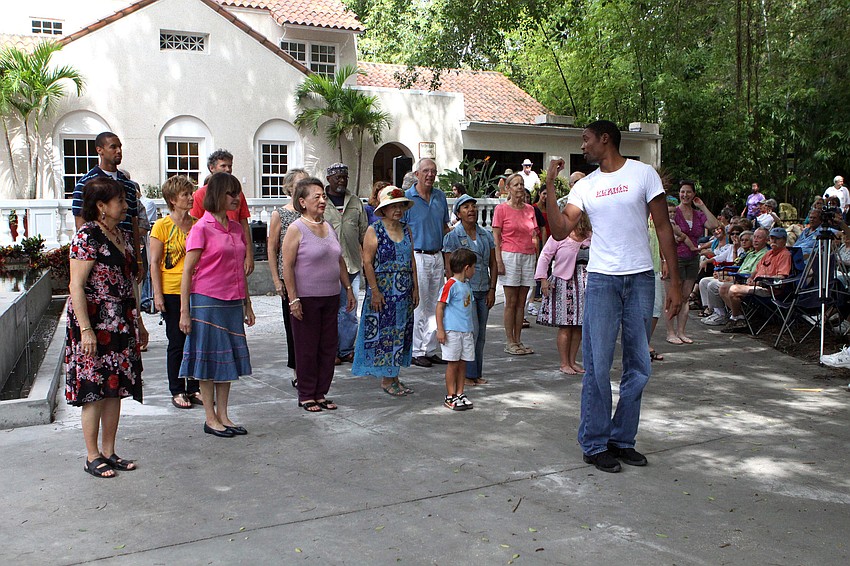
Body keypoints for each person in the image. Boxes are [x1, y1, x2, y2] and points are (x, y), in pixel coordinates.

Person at [544, 120, 682, 474]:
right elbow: (560, 229)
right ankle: (594, 443)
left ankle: (622, 440)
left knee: (639, 365)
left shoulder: (643, 174)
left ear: (605, 139)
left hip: (639, 277)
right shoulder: (586, 186)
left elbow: (663, 226)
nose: (583, 145)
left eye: (586, 140)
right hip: (603, 280)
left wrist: (676, 281)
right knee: (597, 364)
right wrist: (548, 184)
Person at [66, 176, 147, 477]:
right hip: (94, 326)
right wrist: (86, 330)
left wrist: (138, 321)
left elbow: (128, 283)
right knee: (94, 391)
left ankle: (109, 451)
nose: (126, 207)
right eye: (120, 202)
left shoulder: (119, 236)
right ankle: (92, 456)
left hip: (120, 324)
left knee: (116, 389)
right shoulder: (87, 237)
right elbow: (76, 286)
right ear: (101, 206)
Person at [179, 173, 255, 437]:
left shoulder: (235, 229)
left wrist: (247, 303)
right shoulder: (201, 227)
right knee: (208, 360)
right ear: (217, 195)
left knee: (228, 360)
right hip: (206, 301)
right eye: (231, 193)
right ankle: (210, 418)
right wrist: (184, 312)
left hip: (232, 301)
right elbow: (187, 272)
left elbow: (238, 268)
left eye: (238, 193)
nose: (236, 198)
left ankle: (223, 414)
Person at [281, 178, 356, 412]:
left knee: (327, 347)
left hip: (331, 296)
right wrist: (293, 299)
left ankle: (321, 392)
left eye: (323, 196)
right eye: (317, 197)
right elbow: (288, 267)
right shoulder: (296, 229)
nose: (323, 200)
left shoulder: (328, 227)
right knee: (306, 347)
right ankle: (306, 394)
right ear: (302, 202)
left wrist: (349, 289)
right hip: (306, 299)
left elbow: (339, 260)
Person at [352, 186, 419, 396]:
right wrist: (375, 290)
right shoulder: (375, 230)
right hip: (383, 290)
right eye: (393, 206)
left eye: (400, 205)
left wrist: (415, 288)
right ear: (384, 209)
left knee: (401, 332)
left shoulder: (407, 229)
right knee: (385, 334)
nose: (398, 210)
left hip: (404, 291)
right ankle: (387, 379)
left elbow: (412, 260)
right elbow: (367, 262)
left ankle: (395, 376)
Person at [150, 175, 200, 409]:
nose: (191, 198)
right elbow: (154, 261)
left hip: (196, 289)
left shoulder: (197, 223)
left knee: (197, 340)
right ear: (172, 199)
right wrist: (157, 294)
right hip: (171, 290)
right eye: (185, 194)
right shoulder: (162, 226)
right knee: (177, 341)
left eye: (191, 193)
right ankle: (177, 388)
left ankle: (195, 386)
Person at [71, 132, 142, 284]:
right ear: (99, 150)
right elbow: (81, 224)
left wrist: (139, 259)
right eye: (113, 147)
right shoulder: (85, 184)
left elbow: (133, 222)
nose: (118, 151)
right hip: (100, 260)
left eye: (120, 147)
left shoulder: (128, 185)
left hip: (126, 254)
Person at [442, 194, 497, 386]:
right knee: (470, 333)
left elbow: (493, 263)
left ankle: (476, 372)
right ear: (458, 213)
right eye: (465, 207)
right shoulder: (452, 237)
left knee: (481, 335)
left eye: (473, 206)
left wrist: (492, 289)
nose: (471, 210)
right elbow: (449, 268)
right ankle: (467, 375)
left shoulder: (486, 235)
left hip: (484, 288)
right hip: (465, 292)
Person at [403, 158, 450, 368]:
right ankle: (416, 350)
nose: (430, 175)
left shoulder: (440, 197)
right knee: (419, 304)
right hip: (418, 256)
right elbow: (401, 230)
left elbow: (445, 226)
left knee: (436, 303)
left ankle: (430, 349)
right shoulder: (407, 199)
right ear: (417, 174)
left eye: (433, 171)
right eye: (425, 171)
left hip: (437, 255)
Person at [535, 211, 592, 375]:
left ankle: (573, 361)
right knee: (566, 325)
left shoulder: (591, 236)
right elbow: (545, 256)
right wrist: (543, 278)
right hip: (564, 283)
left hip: (585, 283)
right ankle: (564, 362)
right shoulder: (559, 236)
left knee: (579, 326)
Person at [267, 168, 309, 389]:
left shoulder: (312, 214)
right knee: (293, 327)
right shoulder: (280, 214)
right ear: (290, 188)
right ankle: (298, 371)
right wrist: (276, 280)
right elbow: (272, 248)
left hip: (312, 280)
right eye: (300, 184)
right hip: (289, 280)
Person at [323, 163, 367, 364]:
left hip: (352, 265)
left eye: (344, 177)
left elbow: (364, 233)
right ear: (328, 179)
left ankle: (346, 349)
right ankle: (329, 350)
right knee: (330, 311)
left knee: (349, 309)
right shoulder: (321, 202)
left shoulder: (355, 202)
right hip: (327, 268)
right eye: (337, 177)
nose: (341, 180)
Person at [666, 180, 719, 345]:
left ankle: (681, 331)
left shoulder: (697, 214)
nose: (685, 195)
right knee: (671, 297)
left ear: (694, 194)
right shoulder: (674, 212)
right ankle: (670, 332)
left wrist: (702, 206)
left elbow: (714, 225)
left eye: (688, 192)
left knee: (685, 297)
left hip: (693, 258)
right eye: (682, 192)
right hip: (675, 257)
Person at [493, 173, 539, 355]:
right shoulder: (501, 209)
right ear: (508, 189)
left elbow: (535, 235)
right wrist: (498, 259)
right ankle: (509, 340)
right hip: (510, 255)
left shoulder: (530, 209)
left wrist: (537, 257)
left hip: (528, 255)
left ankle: (518, 340)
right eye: (516, 184)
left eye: (521, 184)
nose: (519, 187)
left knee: (522, 302)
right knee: (511, 301)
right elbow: (496, 236)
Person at [190, 149, 255, 276]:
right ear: (212, 168)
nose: (228, 169)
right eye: (223, 166)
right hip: (212, 253)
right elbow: (193, 226)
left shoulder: (238, 194)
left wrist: (249, 255)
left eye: (230, 166)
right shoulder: (200, 194)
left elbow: (244, 226)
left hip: (235, 247)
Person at [720, 226, 793, 333]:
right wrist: (751, 278)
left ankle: (736, 318)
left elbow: (781, 277)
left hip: (769, 289)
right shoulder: (769, 253)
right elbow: (756, 270)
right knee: (723, 288)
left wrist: (762, 280)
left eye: (777, 239)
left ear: (784, 240)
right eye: (772, 238)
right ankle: (740, 318)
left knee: (734, 290)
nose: (774, 241)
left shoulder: (785, 255)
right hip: (756, 285)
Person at [436, 248, 478, 411]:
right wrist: (441, 329)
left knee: (462, 363)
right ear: (467, 268)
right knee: (452, 363)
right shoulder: (450, 285)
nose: (475, 271)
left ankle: (460, 393)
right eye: (474, 267)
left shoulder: (466, 285)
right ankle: (450, 395)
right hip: (452, 331)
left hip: (466, 330)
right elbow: (440, 307)